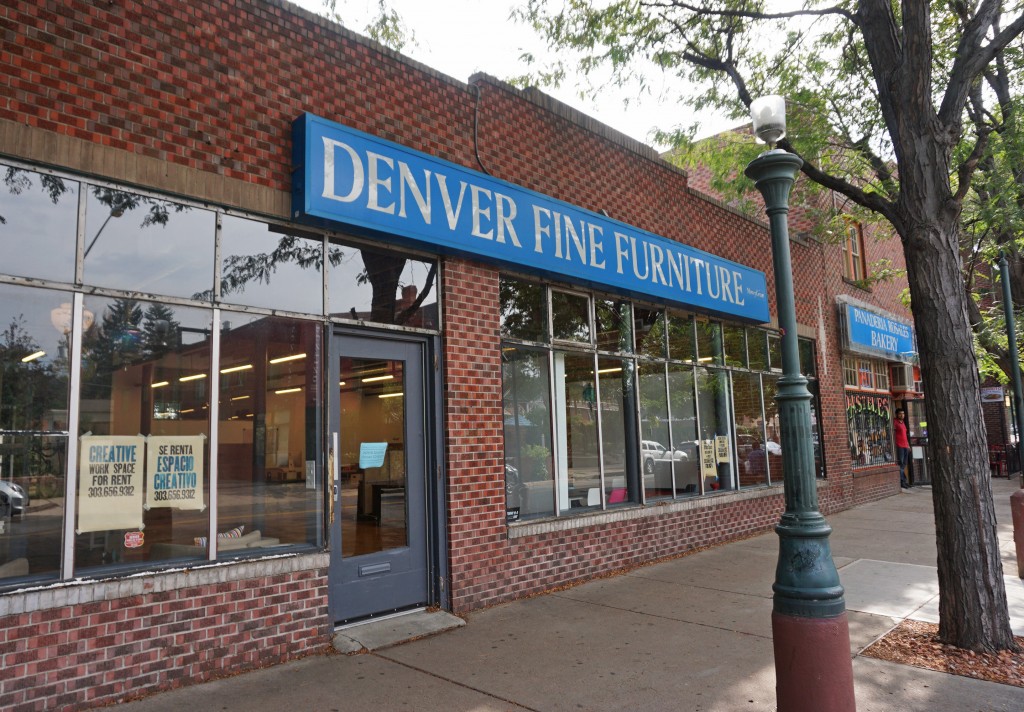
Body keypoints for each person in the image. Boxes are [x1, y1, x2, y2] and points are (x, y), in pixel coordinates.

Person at [893, 409, 911, 488]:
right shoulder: (895, 422)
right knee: (901, 464)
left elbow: (905, 436)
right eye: (900, 414)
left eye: (903, 414)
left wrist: (908, 445)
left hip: (905, 446)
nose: (902, 415)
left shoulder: (903, 423)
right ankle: (902, 482)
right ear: (897, 414)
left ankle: (903, 480)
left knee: (904, 464)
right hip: (899, 445)